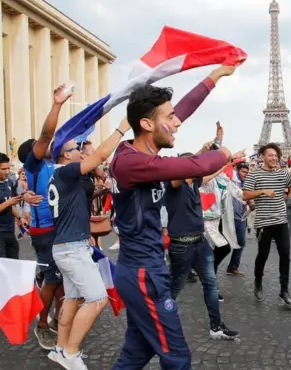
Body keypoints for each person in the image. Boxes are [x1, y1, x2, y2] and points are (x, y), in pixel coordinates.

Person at [111, 64, 238, 370]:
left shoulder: (139, 152)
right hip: (143, 274)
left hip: (146, 269)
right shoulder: (131, 163)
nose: (177, 123)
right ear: (146, 124)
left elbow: (182, 110)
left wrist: (215, 77)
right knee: (177, 356)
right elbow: (193, 166)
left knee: (137, 352)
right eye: (169, 119)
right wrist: (223, 154)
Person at [46, 119, 132, 369]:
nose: (82, 151)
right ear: (65, 155)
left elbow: (75, 200)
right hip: (72, 249)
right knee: (97, 299)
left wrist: (97, 190)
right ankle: (70, 353)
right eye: (76, 149)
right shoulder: (65, 170)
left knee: (72, 299)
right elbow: (102, 154)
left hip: (68, 246)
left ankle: (60, 348)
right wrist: (121, 129)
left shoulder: (60, 176)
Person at [165, 148, 240, 340]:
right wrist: (203, 151)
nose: (196, 167)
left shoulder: (195, 183)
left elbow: (213, 171)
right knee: (175, 287)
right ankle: (159, 319)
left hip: (200, 242)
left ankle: (216, 326)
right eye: (191, 164)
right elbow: (181, 171)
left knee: (211, 284)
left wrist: (227, 160)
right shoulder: (174, 184)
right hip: (181, 246)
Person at [17, 84, 71, 349]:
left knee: (61, 280)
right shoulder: (35, 164)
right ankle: (41, 323)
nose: (50, 144)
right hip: (45, 231)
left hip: (55, 231)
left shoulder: (52, 165)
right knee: (53, 279)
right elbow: (46, 134)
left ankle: (62, 321)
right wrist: (58, 104)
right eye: (44, 145)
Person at [243, 143, 291, 306]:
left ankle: (284, 290)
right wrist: (262, 191)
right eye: (270, 155)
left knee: (285, 254)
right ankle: (258, 282)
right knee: (262, 255)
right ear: (262, 157)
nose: (274, 158)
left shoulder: (283, 173)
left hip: (281, 221)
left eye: (276, 156)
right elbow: (244, 195)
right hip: (264, 222)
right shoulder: (254, 175)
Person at [226, 162, 250, 276]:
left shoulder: (246, 183)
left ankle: (233, 267)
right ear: (237, 171)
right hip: (229, 217)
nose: (245, 174)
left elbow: (246, 197)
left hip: (240, 217)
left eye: (246, 172)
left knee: (241, 243)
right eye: (243, 171)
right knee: (222, 245)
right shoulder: (231, 180)